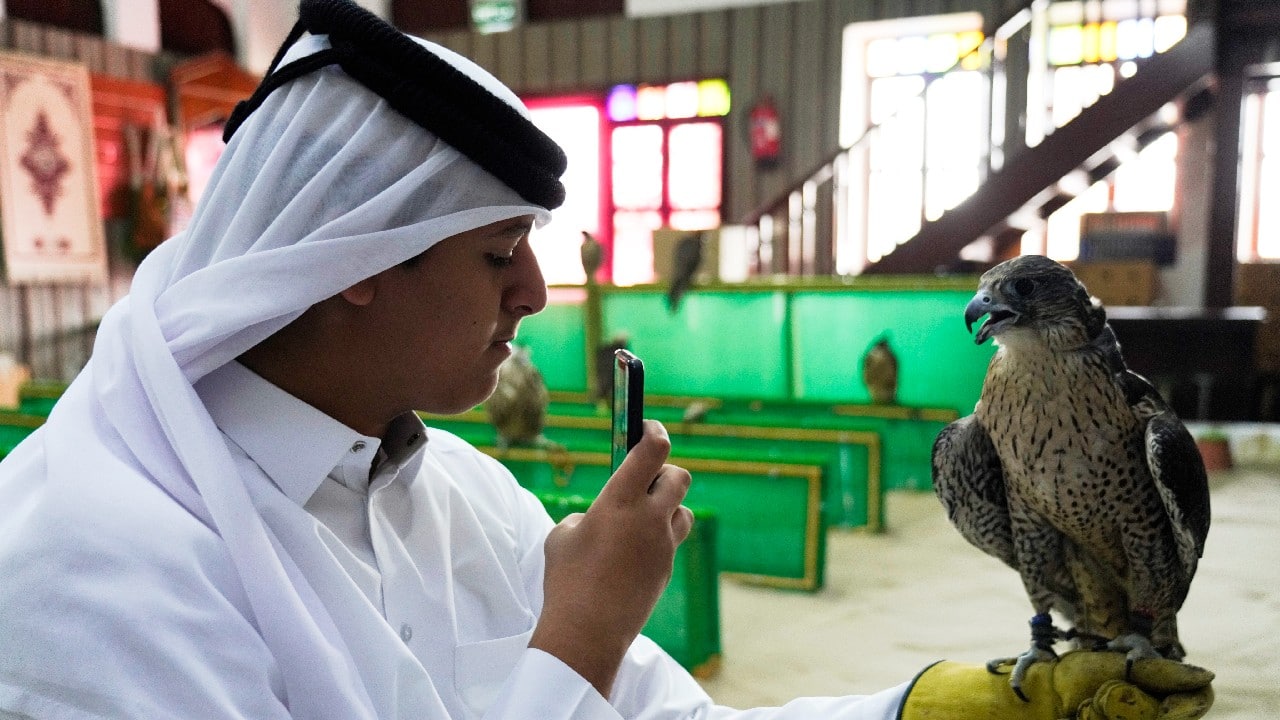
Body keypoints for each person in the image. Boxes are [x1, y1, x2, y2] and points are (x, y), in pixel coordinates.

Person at [0, 1, 1214, 718]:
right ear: (355, 260)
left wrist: (918, 708)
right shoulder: (84, 565)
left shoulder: (455, 493)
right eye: (495, 257)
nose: (536, 293)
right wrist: (572, 639)